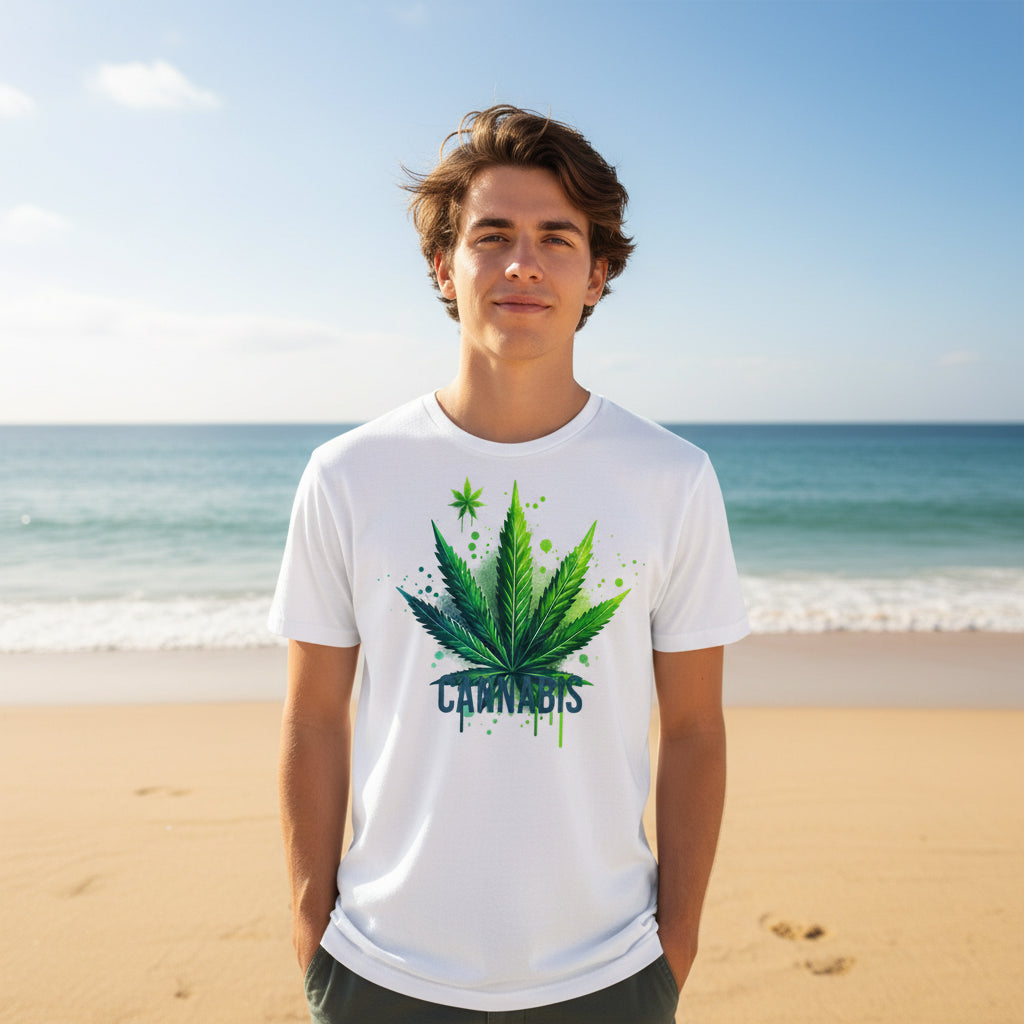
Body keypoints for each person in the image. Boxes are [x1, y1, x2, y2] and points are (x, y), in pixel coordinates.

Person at [270, 104, 749, 1023]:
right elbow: (315, 715)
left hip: (608, 971)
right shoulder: (348, 475)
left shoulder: (672, 478)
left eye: (557, 239)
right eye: (494, 236)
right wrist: (311, 928)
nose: (523, 263)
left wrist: (674, 946)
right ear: (444, 266)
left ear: (598, 275)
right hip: (382, 967)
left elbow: (694, 730)